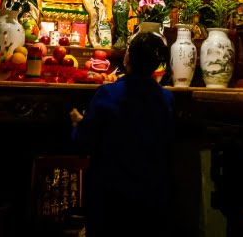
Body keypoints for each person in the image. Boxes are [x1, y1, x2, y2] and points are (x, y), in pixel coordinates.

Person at [70, 32, 175, 236]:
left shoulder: (108, 93)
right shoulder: (166, 98)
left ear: (128, 57)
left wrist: (78, 124)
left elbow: (84, 141)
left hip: (111, 198)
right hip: (153, 198)